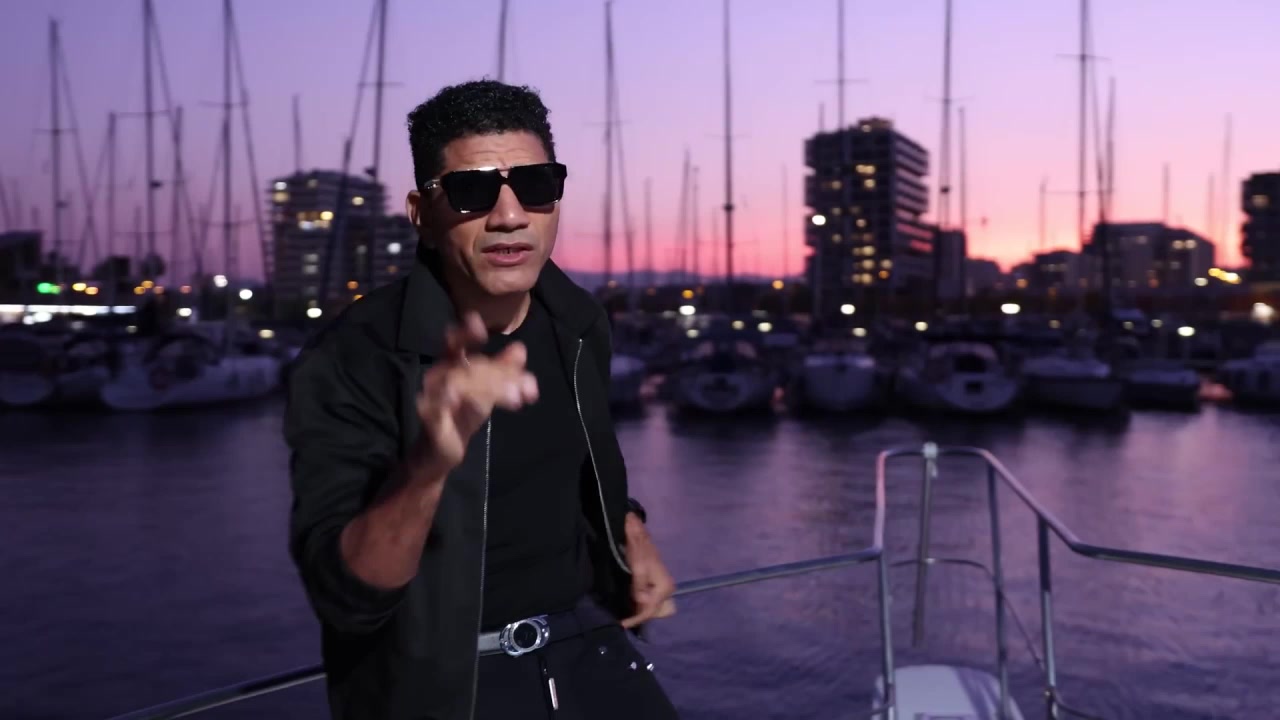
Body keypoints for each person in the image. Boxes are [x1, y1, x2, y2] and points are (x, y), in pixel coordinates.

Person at [284, 79, 680, 720]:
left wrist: (628, 526)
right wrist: (431, 463)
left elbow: (578, 468)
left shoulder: (577, 321)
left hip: (589, 643)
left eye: (536, 184)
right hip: (448, 684)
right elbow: (346, 600)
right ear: (422, 213)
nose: (509, 215)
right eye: (472, 191)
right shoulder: (352, 355)